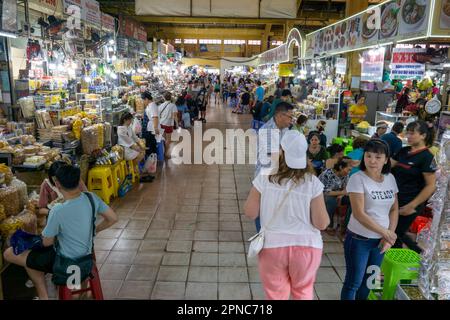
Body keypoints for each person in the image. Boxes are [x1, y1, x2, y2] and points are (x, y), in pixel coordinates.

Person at [3, 164, 118, 300]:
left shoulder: (58, 210)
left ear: (57, 183)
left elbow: (47, 242)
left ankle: (43, 296)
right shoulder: (91, 198)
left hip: (65, 261)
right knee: (32, 260)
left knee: (10, 253)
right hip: (86, 256)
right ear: (79, 180)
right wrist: (95, 230)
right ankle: (70, 292)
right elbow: (113, 218)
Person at [245, 130, 329, 300]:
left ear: (281, 151)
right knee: (303, 292)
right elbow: (321, 223)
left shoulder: (265, 177)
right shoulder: (313, 182)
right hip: (307, 247)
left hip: (272, 248)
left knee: (275, 295)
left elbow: (250, 212)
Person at [341, 139, 399, 300]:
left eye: (378, 157)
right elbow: (359, 213)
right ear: (363, 157)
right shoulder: (357, 179)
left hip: (380, 242)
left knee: (369, 281)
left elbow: (394, 209)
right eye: (368, 156)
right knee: (354, 282)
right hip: (359, 240)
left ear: (386, 159)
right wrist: (385, 232)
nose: (372, 161)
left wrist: (389, 236)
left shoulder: (390, 178)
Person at [391, 121, 436, 253]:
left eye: (412, 133)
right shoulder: (403, 151)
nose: (408, 136)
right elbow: (388, 166)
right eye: (407, 132)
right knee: (394, 233)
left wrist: (412, 205)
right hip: (394, 199)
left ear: (423, 135)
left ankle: (420, 254)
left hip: (410, 202)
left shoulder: (427, 157)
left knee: (395, 233)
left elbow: (430, 186)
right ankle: (396, 263)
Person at [255, 102, 295, 232]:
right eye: (290, 117)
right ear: (280, 115)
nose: (291, 120)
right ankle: (260, 237)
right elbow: (274, 156)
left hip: (280, 176)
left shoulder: (285, 129)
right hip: (266, 177)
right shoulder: (266, 131)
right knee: (262, 210)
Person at [318, 159, 352, 234]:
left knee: (352, 200)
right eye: (348, 170)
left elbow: (346, 188)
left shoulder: (345, 175)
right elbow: (325, 192)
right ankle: (329, 225)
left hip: (337, 195)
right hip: (322, 196)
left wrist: (342, 195)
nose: (349, 172)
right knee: (331, 201)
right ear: (340, 167)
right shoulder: (327, 174)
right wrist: (341, 192)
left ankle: (345, 226)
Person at [141, 92, 159, 181]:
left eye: (143, 100)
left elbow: (155, 117)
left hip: (151, 131)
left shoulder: (152, 106)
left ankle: (150, 169)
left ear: (146, 99)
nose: (143, 102)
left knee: (151, 149)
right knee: (151, 149)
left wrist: (155, 129)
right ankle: (150, 167)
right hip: (149, 130)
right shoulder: (150, 105)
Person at [159, 92, 179, 159]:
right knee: (168, 140)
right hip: (168, 124)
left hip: (161, 124)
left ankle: (163, 152)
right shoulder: (173, 105)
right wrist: (177, 124)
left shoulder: (161, 105)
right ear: (171, 98)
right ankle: (166, 153)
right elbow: (175, 116)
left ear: (164, 98)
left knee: (164, 139)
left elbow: (158, 115)